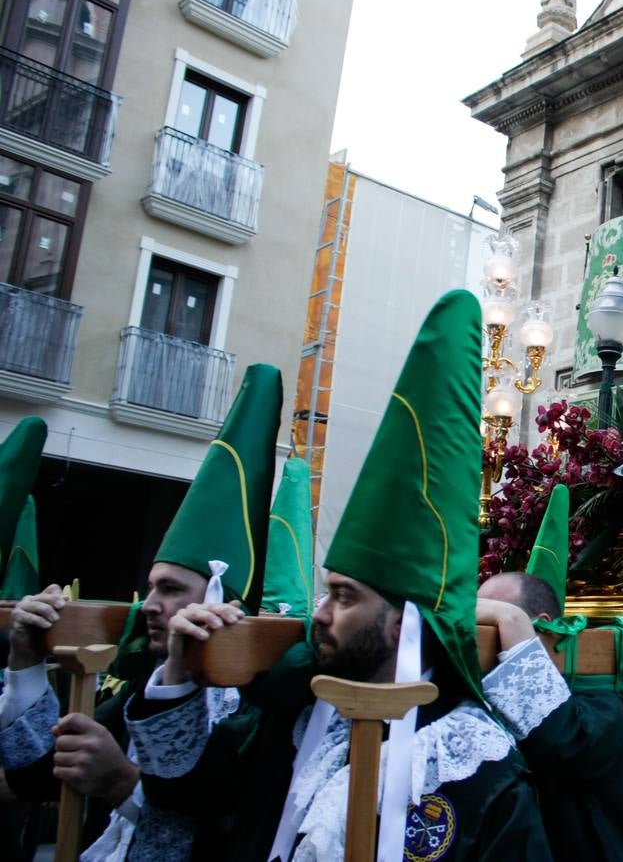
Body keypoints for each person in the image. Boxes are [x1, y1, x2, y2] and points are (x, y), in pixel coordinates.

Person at [121, 291, 555, 860]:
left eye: (344, 597)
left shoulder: (477, 767)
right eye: (328, 592)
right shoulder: (293, 725)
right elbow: (182, 794)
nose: (320, 614)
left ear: (404, 624)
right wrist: (180, 667)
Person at [0, 365, 283, 859]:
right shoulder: (139, 689)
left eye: (171, 590)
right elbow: (33, 776)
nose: (149, 606)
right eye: (151, 587)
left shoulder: (266, 711)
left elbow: (235, 828)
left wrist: (122, 781)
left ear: (223, 603)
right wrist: (24, 661)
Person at [476, 484, 623, 862]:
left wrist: (509, 620)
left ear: (540, 627)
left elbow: (561, 743)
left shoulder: (604, 705)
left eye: (490, 621)